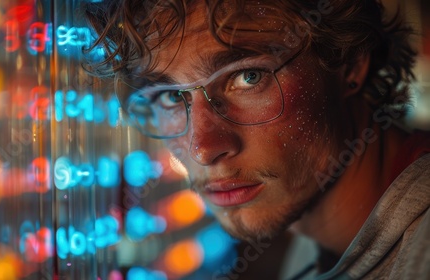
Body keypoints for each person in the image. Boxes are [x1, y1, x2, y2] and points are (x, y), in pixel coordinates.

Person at [85, 0, 430, 279]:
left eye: (248, 77)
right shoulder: (314, 247)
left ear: (350, 62)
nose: (203, 148)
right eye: (172, 98)